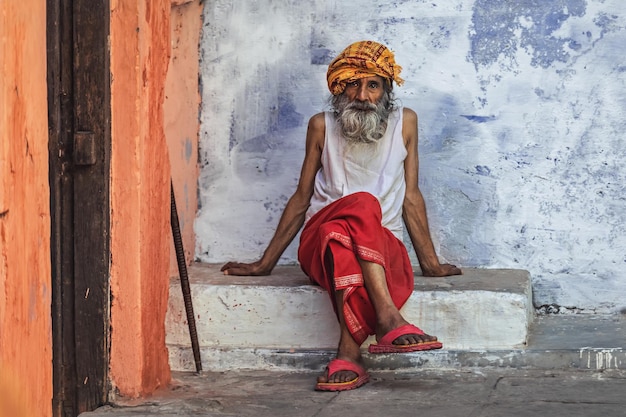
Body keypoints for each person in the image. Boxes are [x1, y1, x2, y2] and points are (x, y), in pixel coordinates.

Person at [221, 40, 462, 391]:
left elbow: (411, 196)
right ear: (339, 88)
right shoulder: (321, 125)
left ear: (386, 91)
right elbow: (302, 198)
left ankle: (349, 356)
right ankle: (387, 316)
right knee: (359, 206)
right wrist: (264, 263)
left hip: (380, 246)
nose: (362, 96)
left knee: (347, 235)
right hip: (319, 244)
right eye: (353, 84)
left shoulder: (405, 122)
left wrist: (431, 263)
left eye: (373, 85)